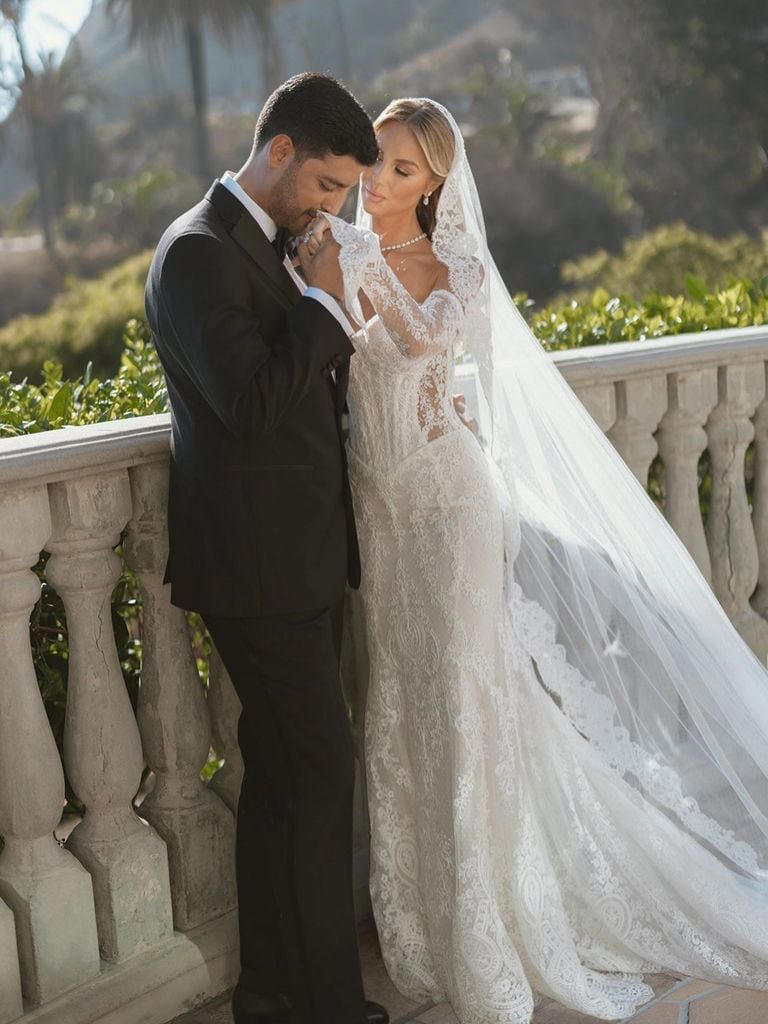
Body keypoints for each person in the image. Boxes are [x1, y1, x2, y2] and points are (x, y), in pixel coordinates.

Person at [300, 97, 768, 1024]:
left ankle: (495, 928)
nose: (379, 181)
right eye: (374, 160)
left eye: (402, 169)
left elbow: (425, 339)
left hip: (449, 506)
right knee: (402, 702)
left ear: (434, 185)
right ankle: (426, 925)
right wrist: (333, 263)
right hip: (381, 515)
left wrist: (356, 263)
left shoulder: (457, 266)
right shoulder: (333, 252)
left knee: (466, 699)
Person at [144, 72, 390, 1024]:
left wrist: (322, 292)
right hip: (256, 569)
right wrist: (322, 305)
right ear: (278, 151)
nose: (331, 208)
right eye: (326, 184)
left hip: (305, 557)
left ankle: (266, 989)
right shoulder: (197, 253)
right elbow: (248, 405)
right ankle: (332, 1004)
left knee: (284, 777)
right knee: (321, 771)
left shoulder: (279, 245)